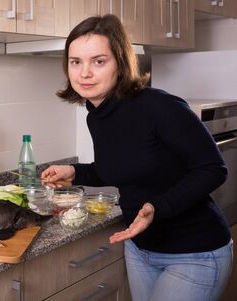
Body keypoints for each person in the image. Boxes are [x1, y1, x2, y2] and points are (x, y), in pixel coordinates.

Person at [41, 14, 233, 301]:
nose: (84, 73)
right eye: (75, 62)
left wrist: (158, 207)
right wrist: (74, 171)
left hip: (195, 252)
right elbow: (121, 168)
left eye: (99, 61)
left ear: (120, 62)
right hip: (141, 250)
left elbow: (214, 168)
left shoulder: (159, 106)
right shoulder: (97, 115)